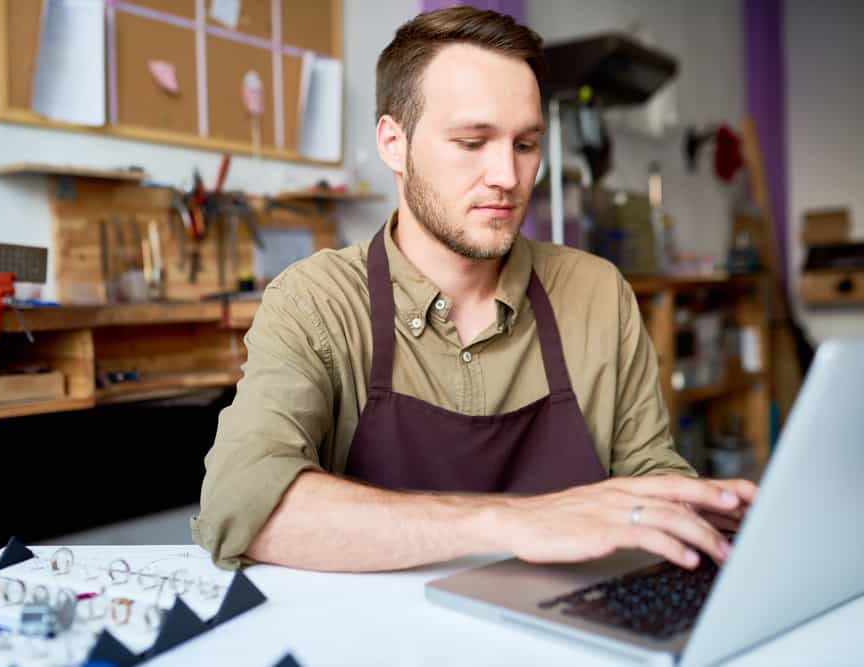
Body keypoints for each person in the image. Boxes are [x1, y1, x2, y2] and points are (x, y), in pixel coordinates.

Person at [194, 7, 757, 573]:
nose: (507, 177)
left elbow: (650, 478)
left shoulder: (596, 293)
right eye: (471, 141)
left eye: (525, 144)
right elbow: (244, 505)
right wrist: (509, 521)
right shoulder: (316, 302)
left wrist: (717, 514)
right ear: (394, 142)